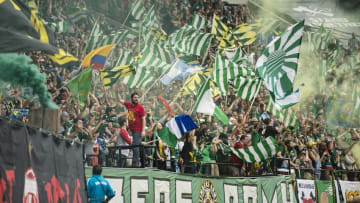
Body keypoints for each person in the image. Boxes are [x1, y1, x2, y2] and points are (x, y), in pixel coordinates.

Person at [119, 92, 146, 167]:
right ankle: (142, 162)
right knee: (137, 145)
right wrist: (117, 92)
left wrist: (143, 130)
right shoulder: (129, 105)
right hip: (131, 130)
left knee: (135, 146)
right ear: (132, 98)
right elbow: (121, 101)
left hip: (138, 130)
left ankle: (135, 163)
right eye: (135, 97)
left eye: (137, 97)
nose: (136, 99)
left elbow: (143, 119)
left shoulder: (140, 107)